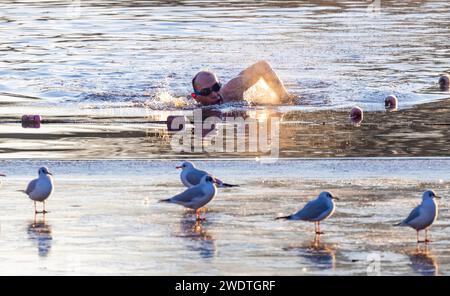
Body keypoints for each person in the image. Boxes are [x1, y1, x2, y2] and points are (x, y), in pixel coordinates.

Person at [191, 60, 290, 106]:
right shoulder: (188, 106)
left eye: (216, 87)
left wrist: (284, 98)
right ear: (195, 96)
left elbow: (262, 67)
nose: (214, 94)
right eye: (206, 92)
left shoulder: (231, 91)